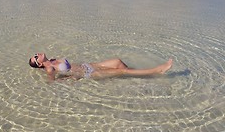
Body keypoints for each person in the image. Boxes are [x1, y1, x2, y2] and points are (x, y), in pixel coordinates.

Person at [29, 53, 173, 82]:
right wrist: (73, 78)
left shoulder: (53, 60)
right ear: (39, 64)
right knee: (122, 70)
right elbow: (52, 82)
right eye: (36, 57)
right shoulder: (49, 69)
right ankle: (157, 70)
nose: (37, 54)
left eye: (35, 54)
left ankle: (140, 75)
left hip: (89, 66)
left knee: (118, 61)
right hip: (88, 74)